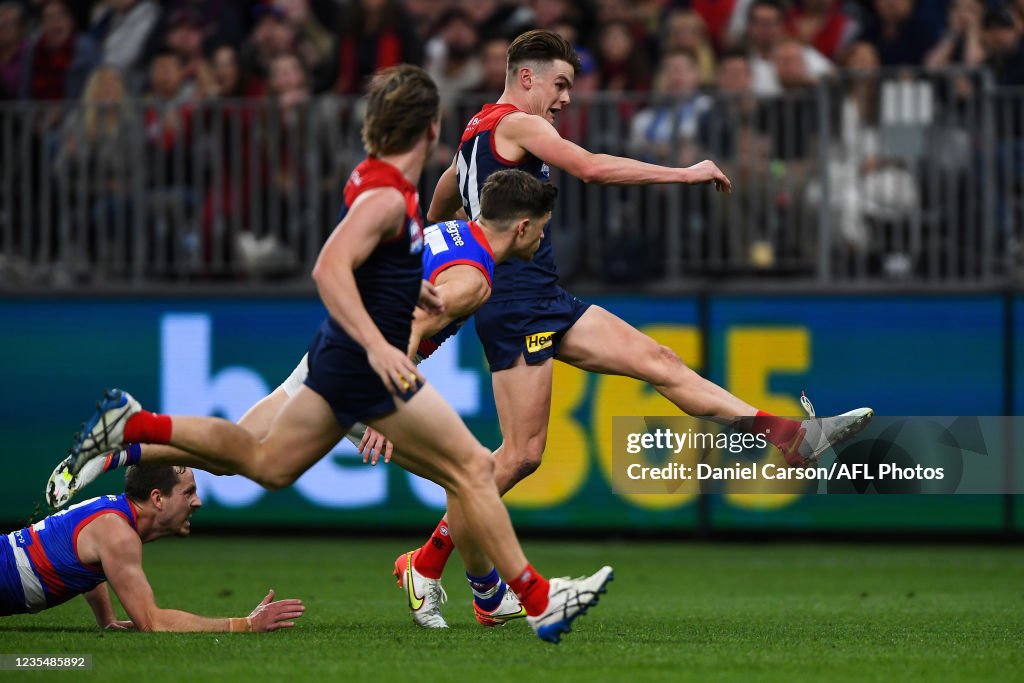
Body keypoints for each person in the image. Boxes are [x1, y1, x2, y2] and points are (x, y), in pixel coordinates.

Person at [51, 65, 611, 645]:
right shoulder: (395, 199)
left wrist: (401, 293)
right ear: (429, 127)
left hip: (339, 359)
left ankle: (132, 427)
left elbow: (376, 267)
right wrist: (381, 363)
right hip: (360, 363)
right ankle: (537, 597)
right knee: (473, 470)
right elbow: (329, 267)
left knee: (263, 463)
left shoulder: (376, 180)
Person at [410, 29, 872, 623]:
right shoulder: (520, 124)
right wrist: (685, 174)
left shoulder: (476, 129)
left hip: (541, 292)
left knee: (661, 362)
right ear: (526, 76)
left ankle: (789, 437)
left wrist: (452, 246)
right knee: (521, 456)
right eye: (560, 84)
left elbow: (443, 198)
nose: (566, 98)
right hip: (515, 300)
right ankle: (425, 563)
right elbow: (592, 168)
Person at [4, 464, 303, 631]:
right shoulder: (119, 534)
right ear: (158, 499)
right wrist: (245, 625)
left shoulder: (113, 518)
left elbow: (91, 564)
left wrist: (106, 620)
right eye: (189, 493)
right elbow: (152, 622)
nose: (197, 502)